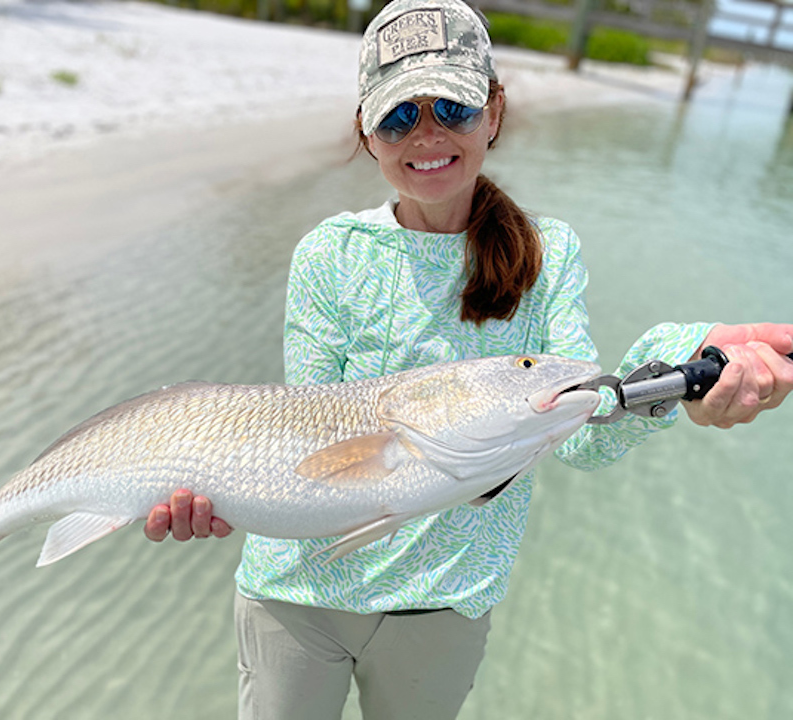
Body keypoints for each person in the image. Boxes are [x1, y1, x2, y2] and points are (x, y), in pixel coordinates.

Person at [144, 0, 793, 717]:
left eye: (452, 107)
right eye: (398, 116)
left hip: (445, 604)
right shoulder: (331, 254)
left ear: (493, 112)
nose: (426, 136)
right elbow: (314, 443)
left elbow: (582, 422)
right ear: (366, 129)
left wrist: (680, 371)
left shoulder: (549, 254)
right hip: (296, 595)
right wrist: (216, 492)